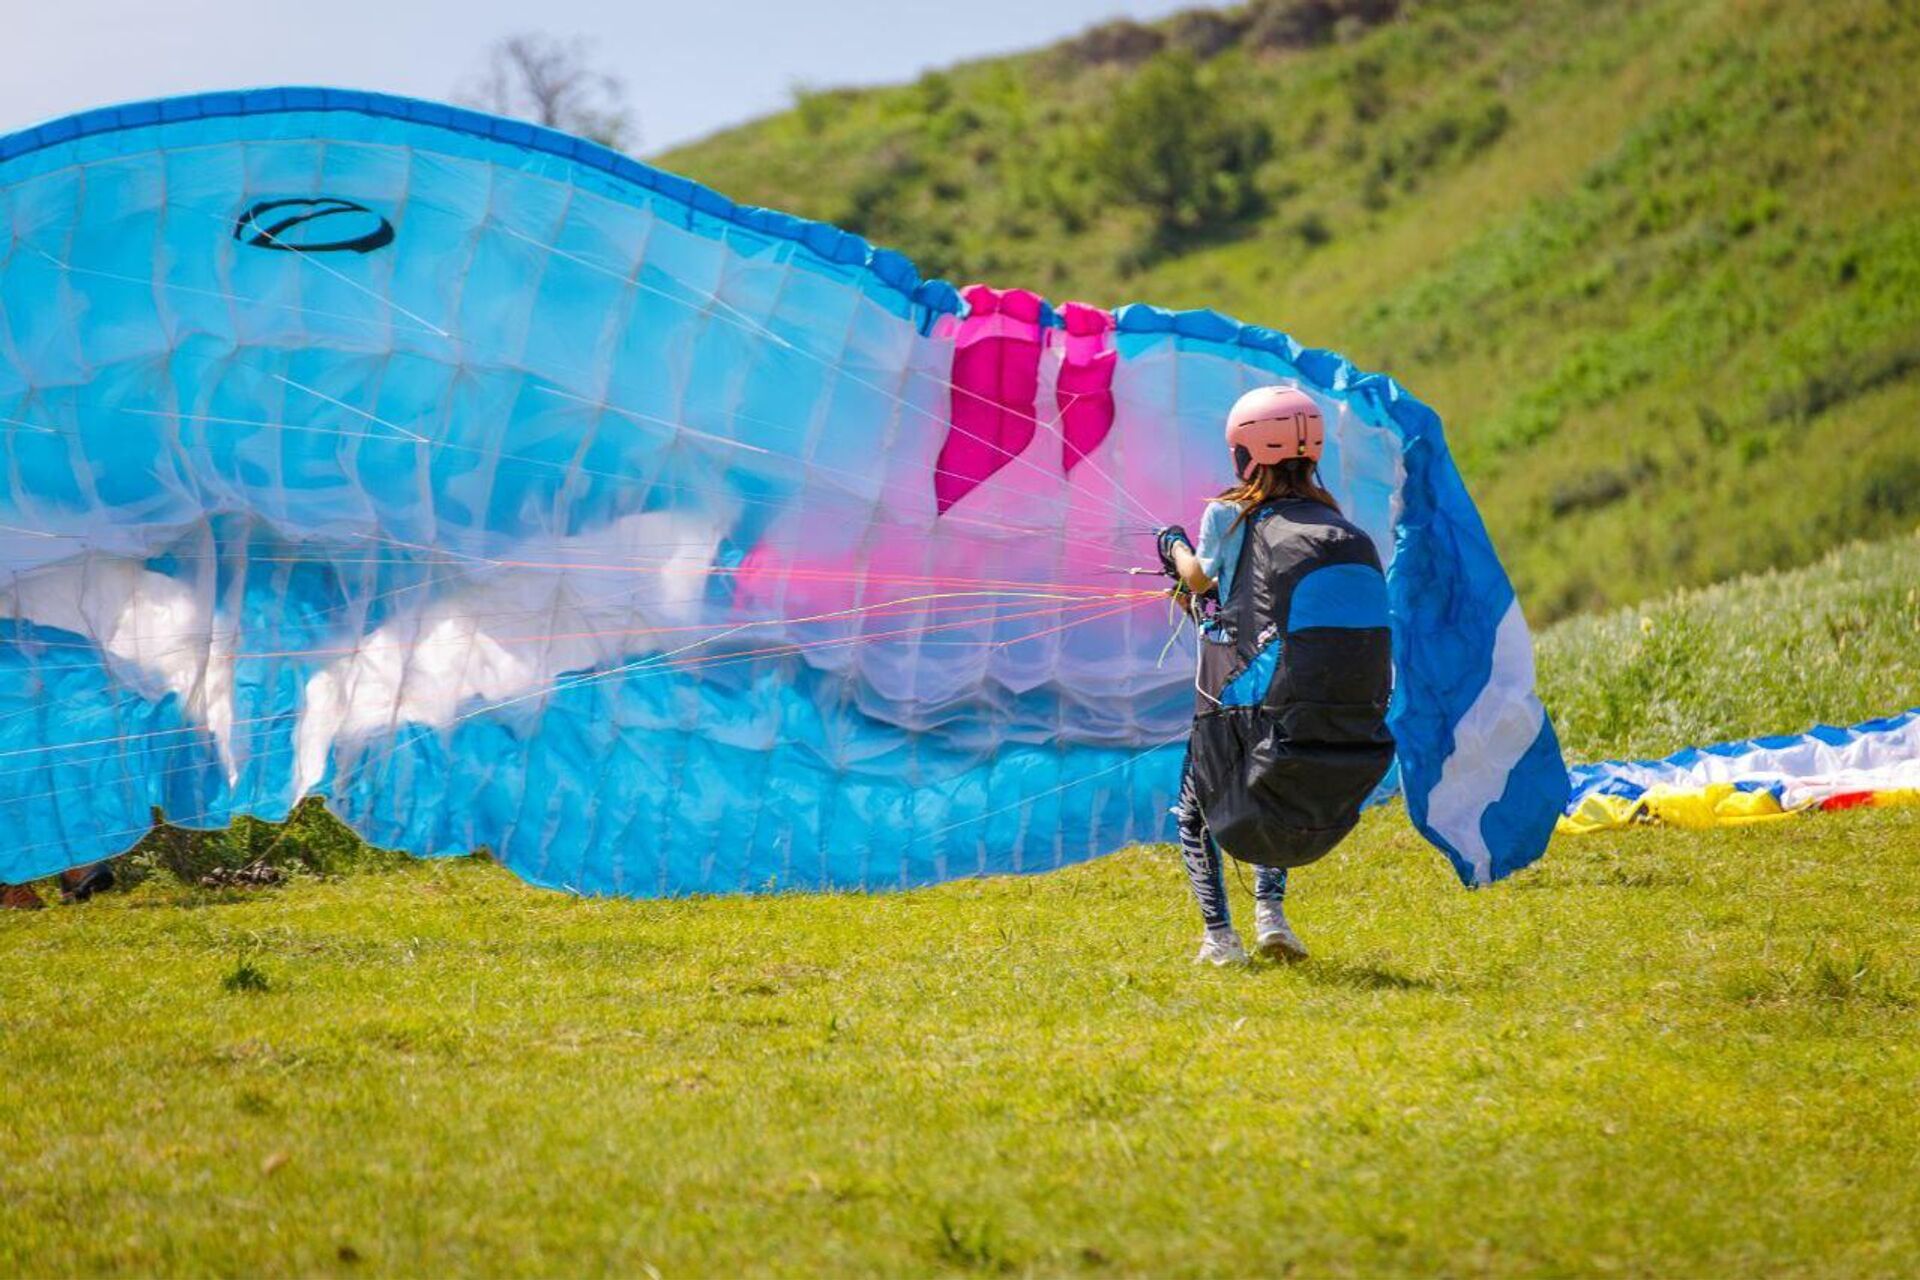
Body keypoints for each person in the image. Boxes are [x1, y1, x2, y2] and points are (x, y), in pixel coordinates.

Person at [1155, 385, 1394, 966]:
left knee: (1193, 810)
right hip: (1305, 694)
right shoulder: (1329, 519)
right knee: (1275, 785)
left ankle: (1219, 939)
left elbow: (1203, 582)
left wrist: (1173, 546)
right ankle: (1272, 918)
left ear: (1245, 452)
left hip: (1235, 697)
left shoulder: (1226, 513)